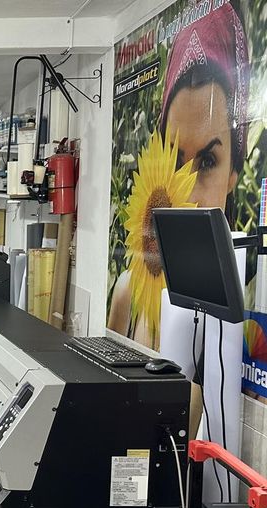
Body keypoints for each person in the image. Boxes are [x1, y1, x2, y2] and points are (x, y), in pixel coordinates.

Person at [108, 2, 249, 348]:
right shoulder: (128, 293)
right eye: (174, 160)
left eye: (207, 161)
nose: (182, 195)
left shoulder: (242, 323)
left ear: (233, 173)